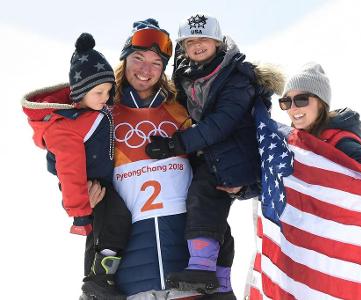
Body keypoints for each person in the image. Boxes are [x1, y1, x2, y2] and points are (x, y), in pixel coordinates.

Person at [144, 13, 283, 299]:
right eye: (190, 41)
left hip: (234, 152)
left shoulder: (235, 75)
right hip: (210, 150)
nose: (197, 46)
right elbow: (182, 111)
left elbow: (222, 122)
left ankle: (202, 269)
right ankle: (218, 281)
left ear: (218, 42)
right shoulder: (185, 72)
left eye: (203, 39)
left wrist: (175, 144)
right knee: (213, 214)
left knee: (204, 196)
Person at [21, 33, 132, 300]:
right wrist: (80, 211)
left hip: (100, 185)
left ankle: (97, 281)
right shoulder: (68, 126)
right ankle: (98, 281)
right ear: (81, 91)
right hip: (88, 188)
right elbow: (69, 171)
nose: (106, 98)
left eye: (108, 91)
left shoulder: (92, 112)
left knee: (110, 227)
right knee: (112, 223)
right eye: (98, 92)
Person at [106, 18, 202, 300]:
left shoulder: (180, 109)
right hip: (131, 269)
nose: (146, 70)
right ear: (124, 60)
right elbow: (65, 158)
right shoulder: (105, 112)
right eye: (138, 58)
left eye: (156, 63)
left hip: (185, 264)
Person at [279, 62, 361, 171]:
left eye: (301, 99)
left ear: (321, 102)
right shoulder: (294, 142)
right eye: (286, 102)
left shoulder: (341, 142)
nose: (293, 108)